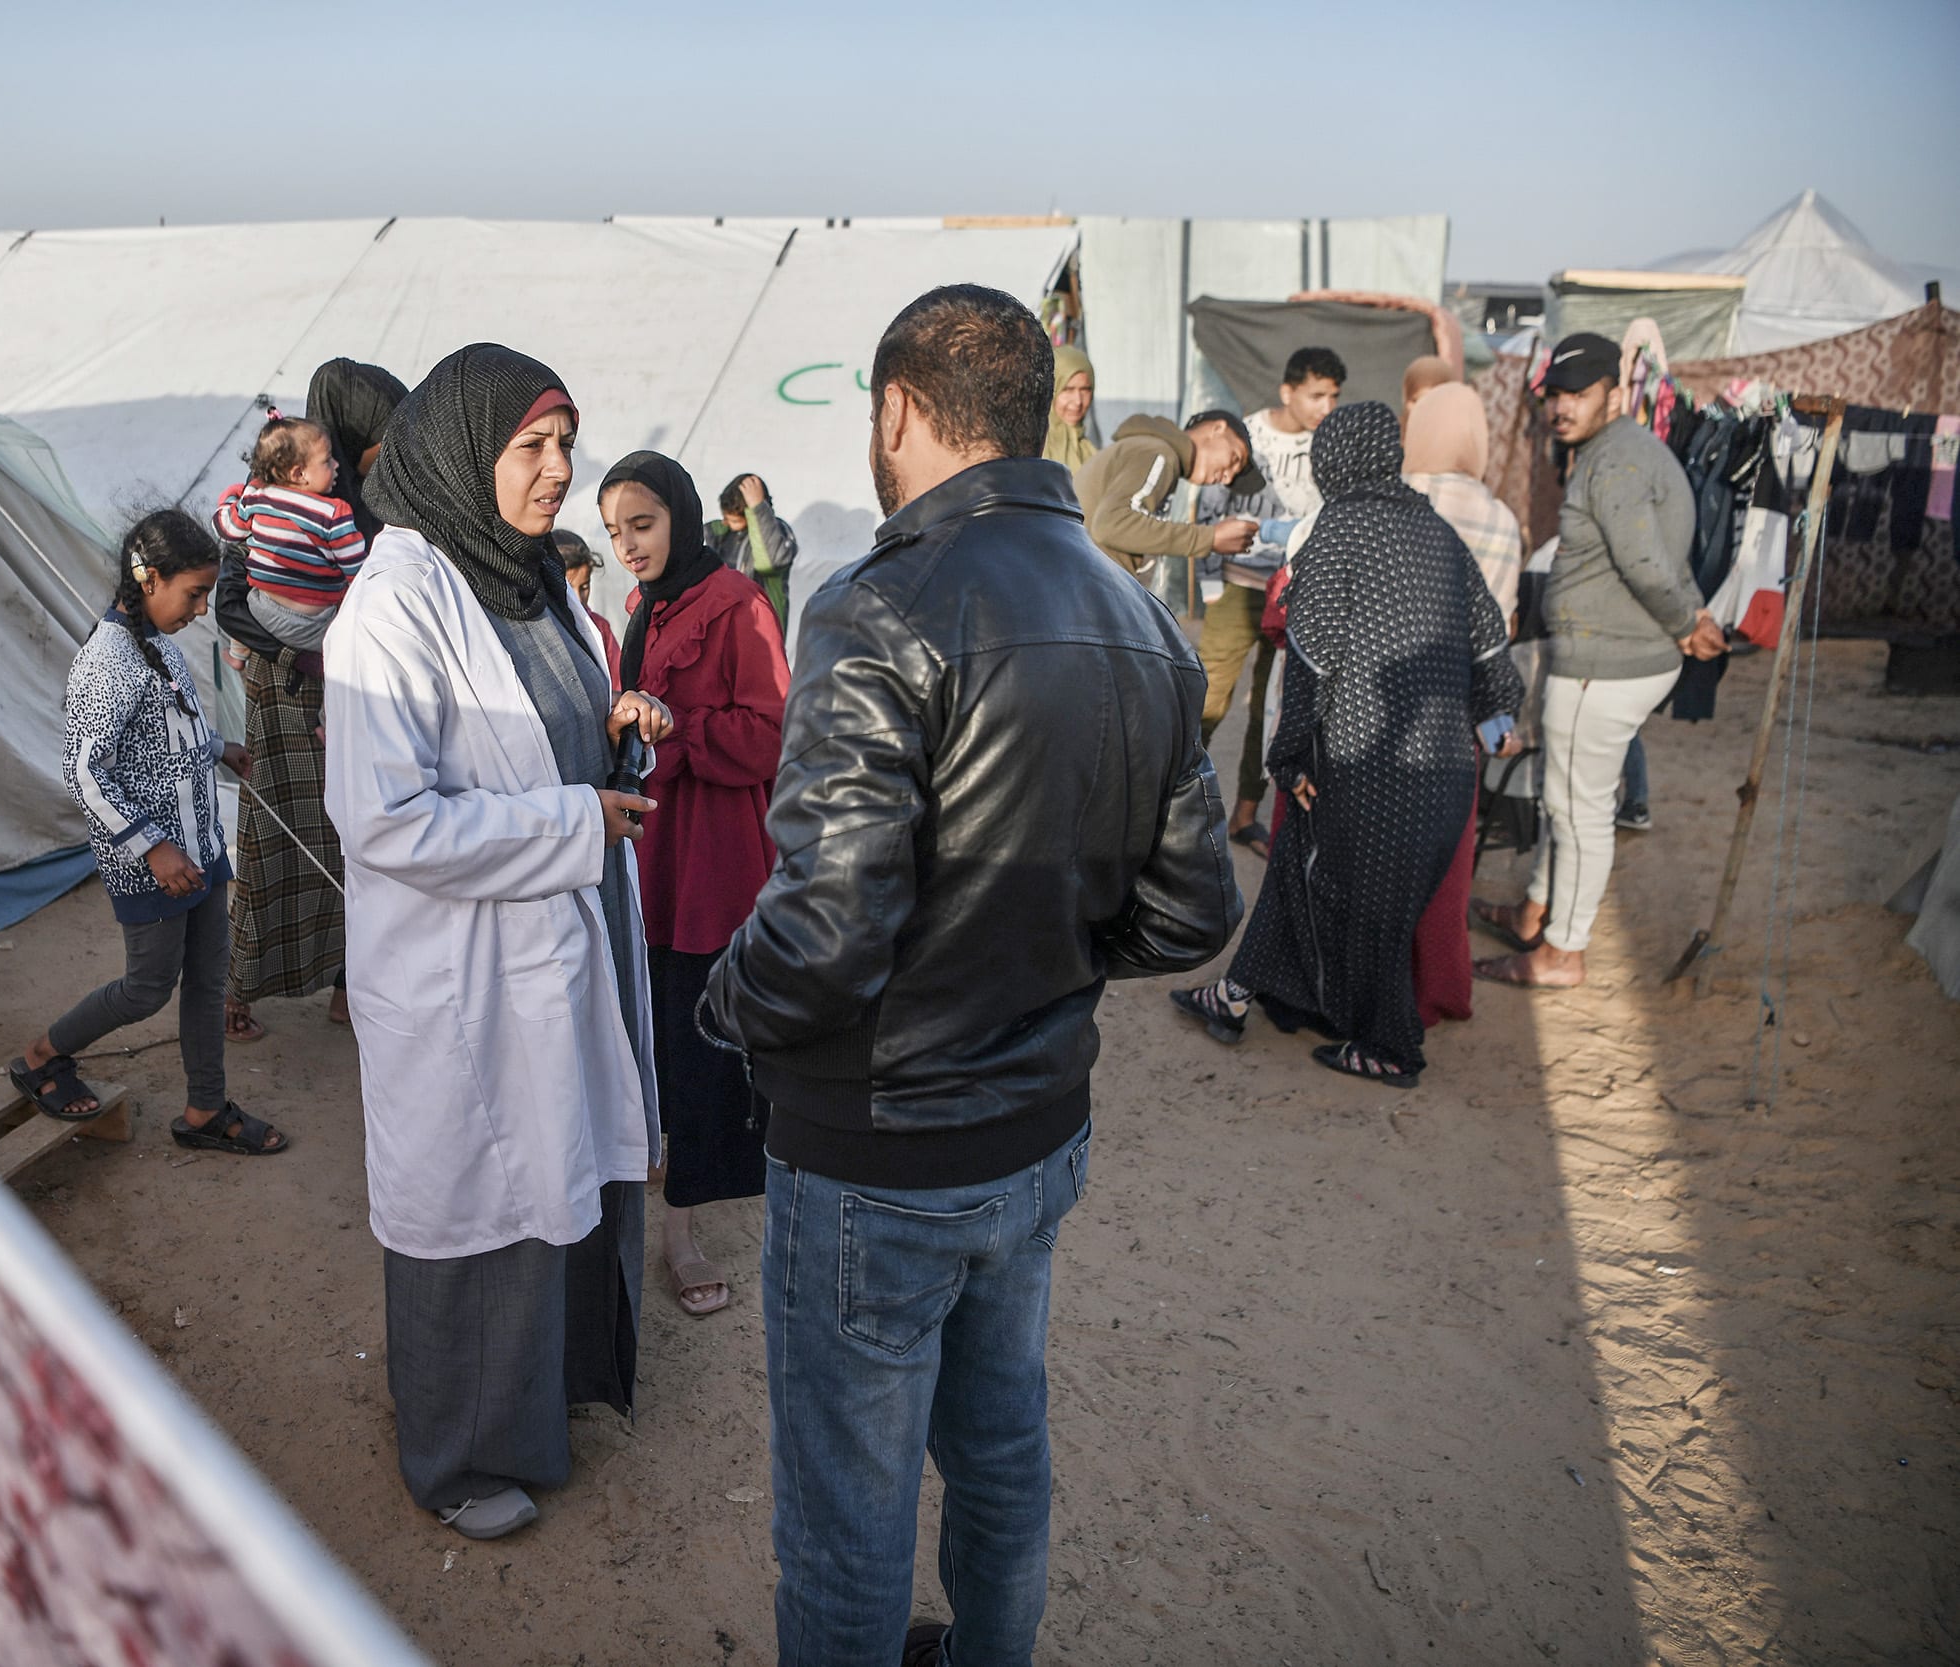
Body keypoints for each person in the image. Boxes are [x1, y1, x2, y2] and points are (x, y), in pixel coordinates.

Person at [703, 285, 1240, 1666]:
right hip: (1034, 1133)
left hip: (883, 1146)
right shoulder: (1144, 618)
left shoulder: (879, 604)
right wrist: (1043, 962)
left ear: (895, 410)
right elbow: (1189, 914)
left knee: (849, 1510)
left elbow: (825, 933)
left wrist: (721, 1000)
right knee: (1001, 1446)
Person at [324, 343, 674, 1542]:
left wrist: (611, 721)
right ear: (464, 451)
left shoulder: (525, 577)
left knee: (560, 1169)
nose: (557, 468)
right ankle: (459, 1454)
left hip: (563, 925)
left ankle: (546, 1402)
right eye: (531, 445)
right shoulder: (395, 603)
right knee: (480, 1202)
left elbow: (541, 725)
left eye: (564, 442)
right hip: (466, 965)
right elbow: (384, 818)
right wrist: (573, 818)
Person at [1172, 403, 1522, 1085]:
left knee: (1369, 910)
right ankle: (1236, 996)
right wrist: (1499, 717)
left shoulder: (1337, 528)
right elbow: (1488, 642)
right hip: (1445, 766)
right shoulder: (1438, 533)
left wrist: (1289, 753)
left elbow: (1311, 656)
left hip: (1367, 758)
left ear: (1334, 460)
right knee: (1301, 868)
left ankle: (1390, 1047)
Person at [9, 509, 279, 1154]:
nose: (203, 608)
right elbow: (84, 771)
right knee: (146, 989)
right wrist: (151, 847)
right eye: (194, 593)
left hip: (201, 851)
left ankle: (205, 1110)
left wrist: (220, 746)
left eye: (208, 594)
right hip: (152, 861)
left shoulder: (159, 645)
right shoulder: (106, 663)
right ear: (149, 578)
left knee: (209, 983)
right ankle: (42, 1057)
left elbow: (171, 730)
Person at [599, 450, 789, 1320]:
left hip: (710, 862)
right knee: (654, 1035)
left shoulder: (738, 604)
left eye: (642, 525)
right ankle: (654, 1191)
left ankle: (681, 1228)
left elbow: (769, 734)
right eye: (613, 532)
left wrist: (675, 731)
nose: (628, 545)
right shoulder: (647, 604)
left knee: (704, 1046)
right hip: (650, 852)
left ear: (679, 515)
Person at [1473, 333, 1724, 990]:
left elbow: (1645, 564)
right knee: (1568, 801)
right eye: (1555, 394)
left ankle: (1562, 953)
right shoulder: (1624, 451)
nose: (1562, 407)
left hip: (1604, 668)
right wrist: (1691, 615)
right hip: (1612, 657)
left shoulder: (1613, 463)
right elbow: (1667, 555)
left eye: (1578, 394)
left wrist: (1684, 622)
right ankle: (1535, 913)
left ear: (1613, 393)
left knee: (1578, 810)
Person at [218, 358, 408, 1040]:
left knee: (353, 837)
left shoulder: (373, 504)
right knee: (271, 833)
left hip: (349, 694)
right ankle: (237, 988)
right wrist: (299, 650)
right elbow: (230, 601)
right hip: (285, 690)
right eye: (380, 439)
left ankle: (346, 981)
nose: (387, 455)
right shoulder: (276, 498)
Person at [1401, 381, 1526, 1028]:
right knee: (1448, 861)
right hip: (1455, 711)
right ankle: (1440, 991)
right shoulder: (1503, 520)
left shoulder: (1392, 498)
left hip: (1381, 703)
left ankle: (1376, 986)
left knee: (1377, 853)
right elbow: (1496, 633)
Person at [1195, 347, 1345, 856]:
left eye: (1333, 396)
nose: (1325, 406)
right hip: (1238, 589)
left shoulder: (1331, 445)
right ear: (1288, 391)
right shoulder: (1248, 434)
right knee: (1209, 696)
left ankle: (1244, 816)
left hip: (1295, 592)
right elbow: (1210, 505)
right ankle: (1175, 806)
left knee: (1271, 707)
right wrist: (1210, 582)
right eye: (1316, 394)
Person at [212, 412, 367, 650]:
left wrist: (229, 498)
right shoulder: (334, 514)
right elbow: (358, 573)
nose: (336, 465)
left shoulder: (255, 495)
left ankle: (238, 651)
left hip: (261, 611)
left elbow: (226, 529)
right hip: (311, 626)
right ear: (298, 474)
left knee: (249, 589)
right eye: (327, 460)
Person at [1076, 406, 1258, 579]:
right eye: (1235, 458)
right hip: (1086, 587)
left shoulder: (1145, 448)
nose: (1228, 478)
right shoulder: (1159, 454)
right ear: (1217, 428)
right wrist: (1209, 538)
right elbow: (1112, 524)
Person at [708, 473, 798, 634]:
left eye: (733, 520)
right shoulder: (721, 534)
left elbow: (771, 562)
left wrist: (758, 509)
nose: (725, 523)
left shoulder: (778, 533)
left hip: (762, 633)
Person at [552, 526, 619, 676]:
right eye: (568, 589)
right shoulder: (545, 629)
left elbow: (617, 683)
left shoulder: (599, 628)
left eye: (584, 587)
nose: (578, 598)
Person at [1041, 343, 1097, 468]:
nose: (1078, 401)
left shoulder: (1089, 451)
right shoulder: (1033, 451)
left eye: (1085, 390)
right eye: (1068, 389)